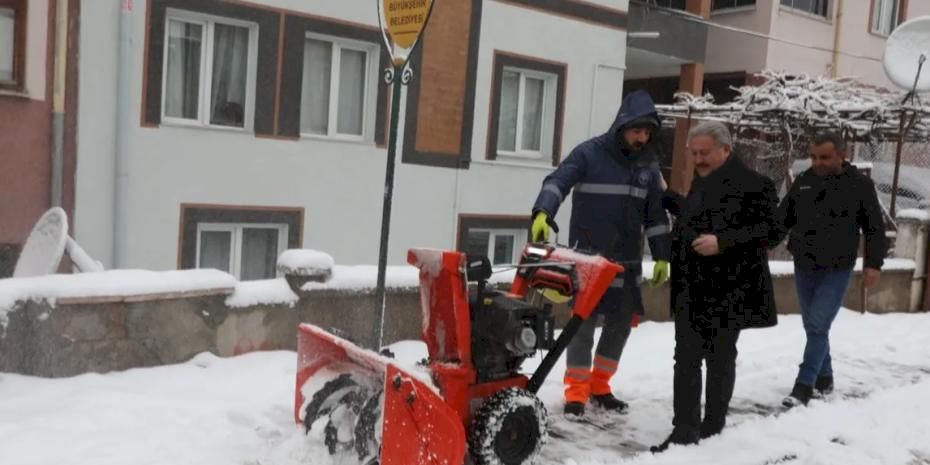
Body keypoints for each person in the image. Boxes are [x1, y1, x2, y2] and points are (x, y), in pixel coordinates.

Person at [530, 90, 672, 417]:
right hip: (588, 261)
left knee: (620, 325)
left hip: (626, 264)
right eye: (637, 130)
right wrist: (543, 211)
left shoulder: (648, 166)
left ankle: (600, 386)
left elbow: (655, 216)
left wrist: (662, 255)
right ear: (622, 125)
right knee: (582, 326)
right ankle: (576, 392)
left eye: (647, 132)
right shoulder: (589, 154)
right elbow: (558, 181)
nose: (642, 138)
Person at [651, 121, 779, 452]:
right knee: (686, 358)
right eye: (694, 154)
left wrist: (723, 242)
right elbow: (698, 219)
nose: (699, 159)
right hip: (691, 286)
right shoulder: (701, 182)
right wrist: (671, 200)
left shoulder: (756, 184)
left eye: (704, 153)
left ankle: (713, 428)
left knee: (719, 358)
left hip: (729, 289)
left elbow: (771, 231)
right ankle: (684, 431)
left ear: (726, 148)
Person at [772, 132, 887, 407]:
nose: (818, 163)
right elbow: (782, 219)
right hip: (804, 264)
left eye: (824, 157)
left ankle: (804, 385)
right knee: (813, 325)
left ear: (842, 155)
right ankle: (825, 377)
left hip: (837, 267)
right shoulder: (804, 182)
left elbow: (874, 227)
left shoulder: (859, 185)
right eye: (813, 157)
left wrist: (873, 264)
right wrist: (761, 242)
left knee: (818, 323)